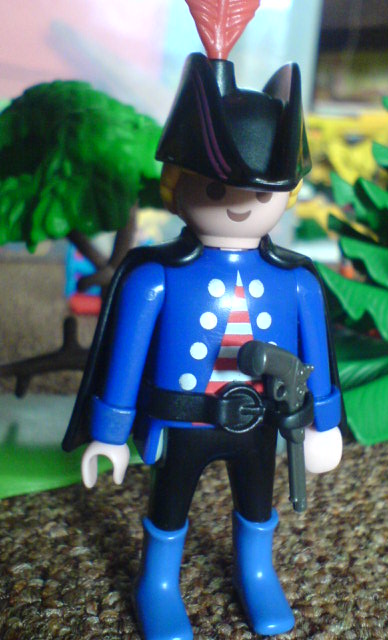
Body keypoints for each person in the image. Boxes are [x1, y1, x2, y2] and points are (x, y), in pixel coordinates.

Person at [63, 52, 342, 640]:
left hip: (259, 423)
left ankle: (256, 570)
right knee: (170, 504)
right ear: (177, 183)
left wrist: (324, 422)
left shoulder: (297, 282)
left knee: (256, 503)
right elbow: (123, 361)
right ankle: (158, 582)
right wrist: (110, 432)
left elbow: (316, 360)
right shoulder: (154, 279)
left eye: (261, 191)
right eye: (216, 186)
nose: (238, 203)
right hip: (182, 421)